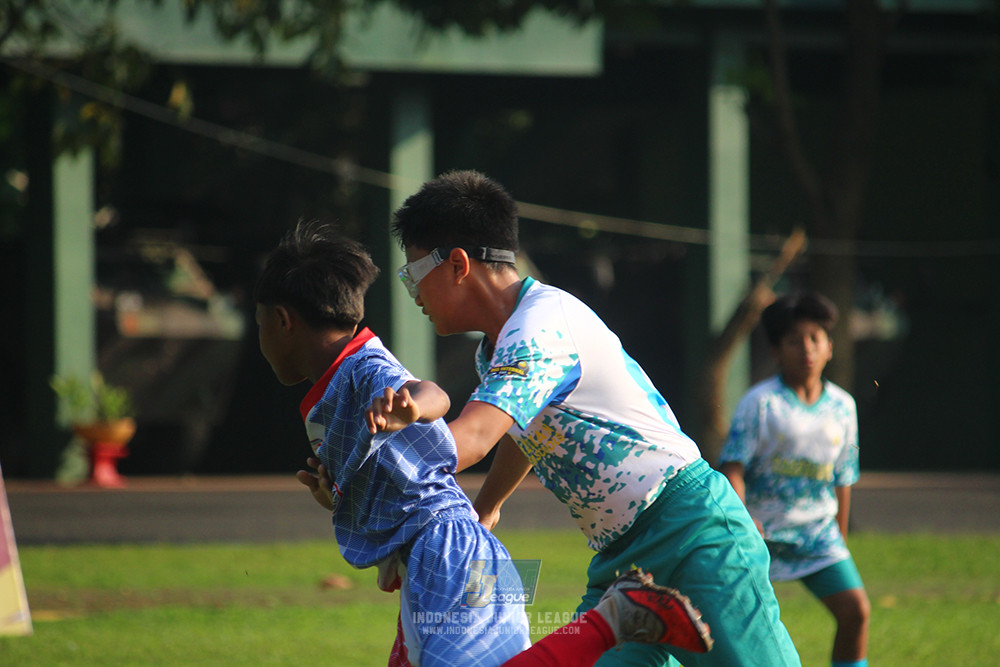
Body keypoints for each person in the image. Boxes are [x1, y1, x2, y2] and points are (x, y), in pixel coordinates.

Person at [376, 169, 801, 667]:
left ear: (458, 265)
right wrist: (486, 506)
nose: (413, 292)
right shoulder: (495, 351)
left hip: (691, 533)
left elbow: (472, 437)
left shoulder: (540, 329)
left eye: (412, 274)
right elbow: (523, 428)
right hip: (623, 566)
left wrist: (376, 472)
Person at [258, 221, 713, 667]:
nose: (415, 293)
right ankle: (617, 617)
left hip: (451, 552)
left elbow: (432, 393)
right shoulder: (335, 386)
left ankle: (613, 619)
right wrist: (336, 495)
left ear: (281, 321)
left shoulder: (365, 367)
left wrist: (413, 407)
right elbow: (393, 477)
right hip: (431, 561)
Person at [718, 292, 871, 667]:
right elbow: (732, 467)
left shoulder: (842, 406)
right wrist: (742, 521)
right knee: (722, 622)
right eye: (794, 340)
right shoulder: (760, 403)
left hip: (818, 535)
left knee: (857, 612)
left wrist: (840, 536)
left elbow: (843, 476)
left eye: (815, 339)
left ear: (830, 347)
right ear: (775, 350)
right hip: (761, 534)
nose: (807, 349)